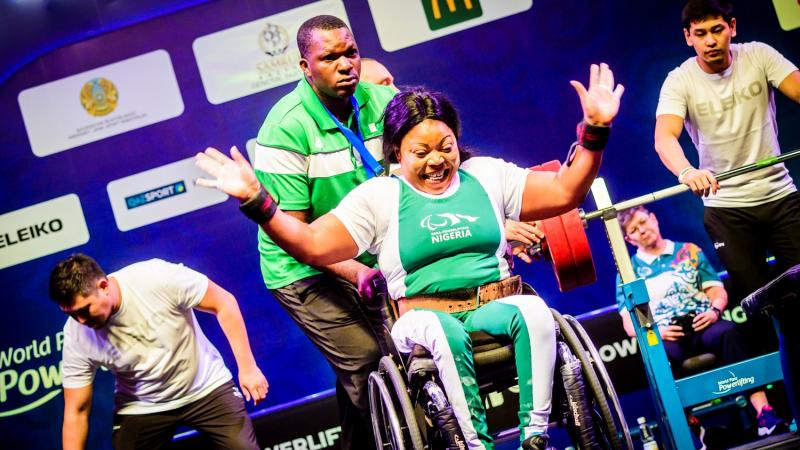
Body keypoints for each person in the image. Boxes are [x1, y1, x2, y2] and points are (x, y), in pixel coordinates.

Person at [195, 63, 624, 450]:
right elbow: (309, 244)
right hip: (421, 319)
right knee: (443, 331)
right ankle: (474, 444)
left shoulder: (487, 175)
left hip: (493, 306)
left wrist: (594, 130)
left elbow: (567, 191)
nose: (438, 161)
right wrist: (257, 201)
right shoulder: (380, 197)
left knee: (533, 311)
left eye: (447, 147)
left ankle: (536, 436)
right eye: (421, 153)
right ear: (397, 153)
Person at [250, 15, 397, 449]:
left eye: (350, 52)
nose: (346, 64)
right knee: (370, 362)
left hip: (364, 254)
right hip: (301, 268)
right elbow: (296, 237)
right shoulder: (284, 130)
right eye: (329, 57)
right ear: (304, 67)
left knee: (391, 359)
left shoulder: (386, 102)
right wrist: (356, 273)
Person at [653, 0, 800, 323]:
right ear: (687, 37)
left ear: (732, 27)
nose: (710, 41)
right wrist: (686, 170)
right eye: (701, 33)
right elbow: (664, 138)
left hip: (780, 197)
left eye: (717, 30)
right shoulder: (679, 80)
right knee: (768, 308)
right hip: (727, 211)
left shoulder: (759, 55)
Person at [50, 254, 267, 450]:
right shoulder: (75, 335)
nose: (81, 320)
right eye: (71, 315)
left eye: (83, 310)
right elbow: (76, 411)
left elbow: (223, 302)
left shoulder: (155, 278)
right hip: (141, 407)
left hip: (206, 387)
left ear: (104, 286)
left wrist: (247, 368)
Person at [615, 206, 787, 438]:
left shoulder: (689, 251)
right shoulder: (628, 272)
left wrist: (715, 311)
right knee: (659, 355)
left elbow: (717, 291)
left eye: (643, 222)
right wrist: (658, 330)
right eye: (634, 230)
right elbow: (629, 324)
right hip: (667, 334)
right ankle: (692, 429)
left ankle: (763, 412)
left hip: (703, 324)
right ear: (628, 239)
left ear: (654, 218)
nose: (642, 230)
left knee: (730, 333)